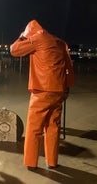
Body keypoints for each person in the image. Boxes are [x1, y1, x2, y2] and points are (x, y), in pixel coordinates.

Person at [10, 20, 74, 170]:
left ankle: (31, 163)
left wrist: (22, 37)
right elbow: (69, 66)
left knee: (34, 128)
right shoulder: (59, 41)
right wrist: (67, 87)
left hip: (42, 91)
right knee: (53, 127)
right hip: (59, 90)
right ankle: (52, 162)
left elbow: (14, 50)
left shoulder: (38, 38)